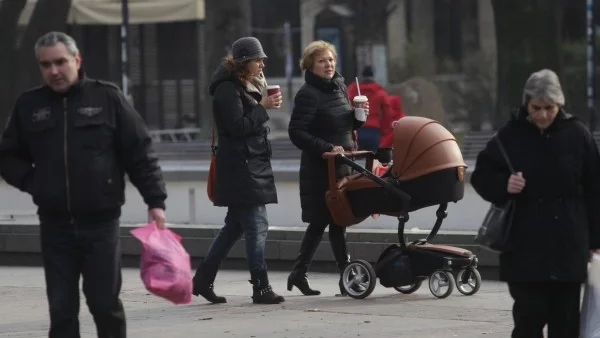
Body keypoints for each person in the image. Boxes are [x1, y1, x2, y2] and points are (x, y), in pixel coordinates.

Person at [0, 31, 168, 338]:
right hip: (55, 225)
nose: (54, 71)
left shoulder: (108, 97)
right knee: (61, 309)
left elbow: (140, 152)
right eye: (46, 64)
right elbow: (8, 156)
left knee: (105, 304)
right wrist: (35, 183)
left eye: (61, 62)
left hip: (101, 223)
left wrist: (155, 201)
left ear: (77, 60)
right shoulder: (30, 105)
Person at [470, 69, 600, 338]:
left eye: (549, 108)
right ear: (526, 104)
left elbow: (594, 190)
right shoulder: (511, 135)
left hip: (568, 246)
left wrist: (596, 240)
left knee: (565, 323)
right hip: (524, 247)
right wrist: (504, 184)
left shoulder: (578, 135)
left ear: (559, 104)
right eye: (536, 108)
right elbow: (482, 175)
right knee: (530, 317)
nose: (542, 115)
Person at [191, 36, 284, 305]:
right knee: (257, 226)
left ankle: (202, 280)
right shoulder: (227, 89)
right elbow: (237, 127)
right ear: (244, 63)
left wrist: (261, 106)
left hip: (251, 164)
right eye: (258, 59)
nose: (263, 63)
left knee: (233, 228)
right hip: (241, 168)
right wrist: (263, 108)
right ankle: (261, 286)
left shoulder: (247, 85)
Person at [287, 40, 368, 296]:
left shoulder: (340, 87)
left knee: (336, 221)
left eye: (331, 60)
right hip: (320, 169)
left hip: (343, 166)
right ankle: (337, 278)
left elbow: (346, 127)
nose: (328, 65)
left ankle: (312, 275)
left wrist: (358, 117)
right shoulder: (307, 94)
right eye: (322, 61)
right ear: (311, 66)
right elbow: (297, 132)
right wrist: (326, 147)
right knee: (324, 220)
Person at [346, 65, 393, 152]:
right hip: (373, 132)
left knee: (356, 162)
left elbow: (346, 108)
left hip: (357, 131)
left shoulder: (352, 90)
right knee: (372, 162)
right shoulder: (380, 92)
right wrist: (383, 131)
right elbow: (388, 114)